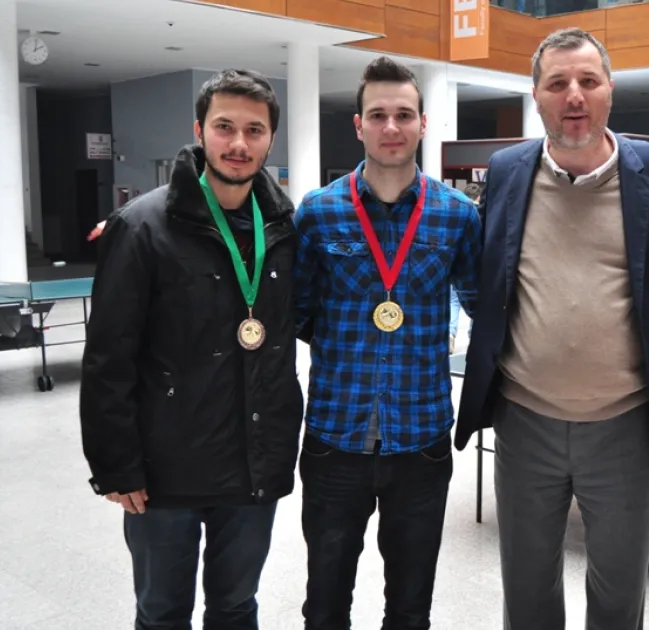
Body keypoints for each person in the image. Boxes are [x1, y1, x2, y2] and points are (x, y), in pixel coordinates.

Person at [453, 28, 649, 630]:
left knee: (619, 589)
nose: (574, 95)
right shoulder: (508, 170)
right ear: (537, 96)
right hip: (524, 420)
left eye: (588, 81)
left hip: (626, 422)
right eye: (558, 83)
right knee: (526, 584)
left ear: (610, 92)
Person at [79, 69, 302, 629]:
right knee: (161, 612)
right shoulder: (141, 227)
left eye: (255, 130)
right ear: (198, 130)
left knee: (235, 607)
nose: (239, 143)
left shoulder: (283, 226)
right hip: (163, 472)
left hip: (253, 461)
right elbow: (108, 358)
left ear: (271, 138)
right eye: (225, 126)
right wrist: (116, 466)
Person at [291, 56, 482, 630]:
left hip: (421, 442)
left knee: (410, 607)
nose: (391, 127)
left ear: (423, 122)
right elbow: (297, 315)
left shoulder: (457, 217)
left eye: (404, 114)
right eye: (378, 115)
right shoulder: (319, 213)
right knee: (324, 605)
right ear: (359, 125)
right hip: (333, 439)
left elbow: (483, 307)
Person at [450, 182, 484, 352]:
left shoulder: (458, 208)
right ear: (478, 196)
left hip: (453, 263)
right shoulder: (482, 211)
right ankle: (474, 334)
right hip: (474, 262)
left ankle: (450, 333)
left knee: (453, 302)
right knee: (474, 296)